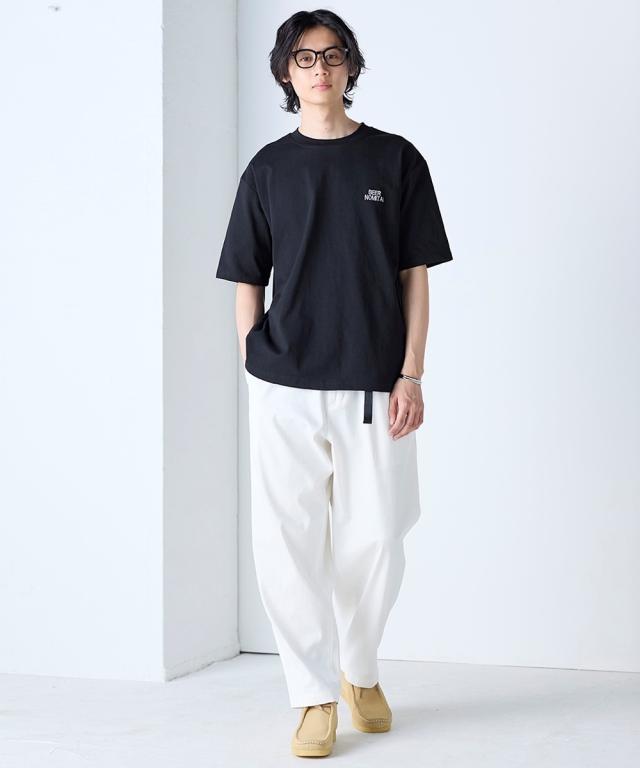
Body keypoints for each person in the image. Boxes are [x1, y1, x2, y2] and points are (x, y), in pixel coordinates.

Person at [215, 8, 453, 758]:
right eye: (304, 58)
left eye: (332, 55)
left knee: (379, 535)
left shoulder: (395, 160)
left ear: (351, 65)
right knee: (287, 541)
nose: (319, 69)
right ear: (286, 73)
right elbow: (246, 274)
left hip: (376, 381)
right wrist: (252, 356)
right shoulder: (268, 169)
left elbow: (415, 275)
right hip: (284, 380)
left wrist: (412, 371)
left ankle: (360, 669)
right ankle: (313, 694)